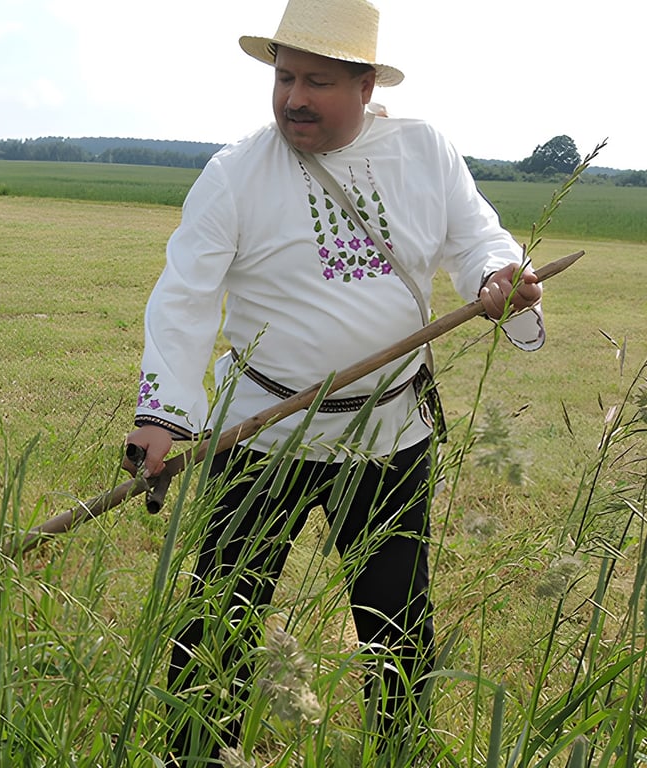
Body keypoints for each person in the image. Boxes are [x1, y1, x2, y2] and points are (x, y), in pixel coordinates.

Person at [124, 0, 545, 762]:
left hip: (389, 436)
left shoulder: (423, 152)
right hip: (262, 434)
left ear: (365, 85)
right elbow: (185, 293)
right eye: (284, 77)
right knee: (220, 621)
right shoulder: (234, 173)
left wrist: (496, 274)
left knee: (398, 628)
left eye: (316, 81)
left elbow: (476, 239)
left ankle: (398, 755)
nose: (292, 98)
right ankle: (194, 756)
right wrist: (163, 415)